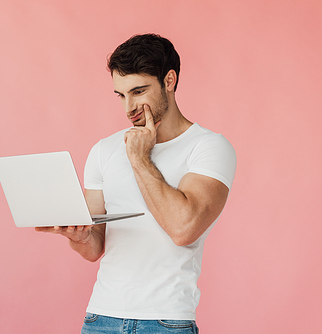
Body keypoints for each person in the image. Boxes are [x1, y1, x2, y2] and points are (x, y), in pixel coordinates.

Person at [36, 33, 236, 334]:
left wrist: (140, 158)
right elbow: (95, 246)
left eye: (139, 91)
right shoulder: (104, 150)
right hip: (100, 318)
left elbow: (184, 229)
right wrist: (78, 237)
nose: (129, 107)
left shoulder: (208, 147)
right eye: (121, 94)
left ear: (169, 81)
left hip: (166, 321)